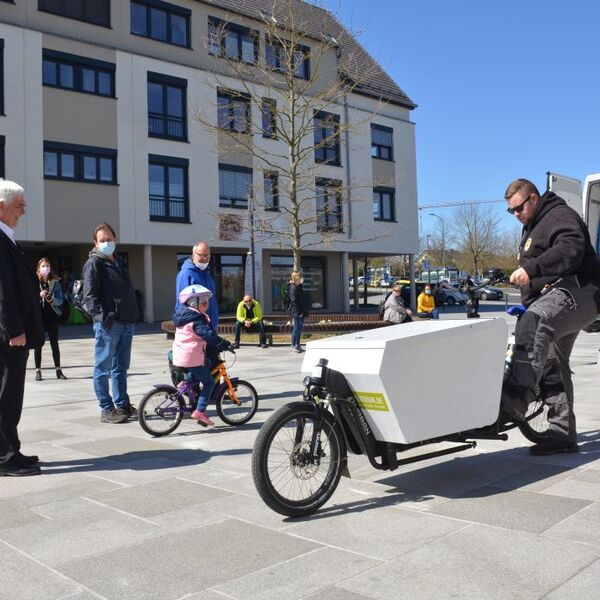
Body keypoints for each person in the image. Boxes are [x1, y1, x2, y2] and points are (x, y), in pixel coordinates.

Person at [501, 178, 600, 455]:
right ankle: (562, 434)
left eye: (518, 208)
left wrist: (531, 270)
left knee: (536, 323)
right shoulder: (531, 227)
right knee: (551, 362)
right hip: (562, 296)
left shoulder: (558, 215)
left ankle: (518, 398)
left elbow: (570, 250)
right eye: (511, 211)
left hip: (582, 290)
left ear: (533, 199)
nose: (516, 215)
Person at [0, 180, 45, 476]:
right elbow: (2, 290)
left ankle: (11, 448)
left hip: (14, 336)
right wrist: (13, 329)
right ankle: (4, 457)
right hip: (8, 338)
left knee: (12, 395)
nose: (23, 212)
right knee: (6, 395)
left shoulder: (7, 239)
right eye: (20, 206)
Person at [83, 223, 139, 424]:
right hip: (109, 325)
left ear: (115, 239)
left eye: (109, 239)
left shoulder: (119, 261)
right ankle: (107, 409)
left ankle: (122, 404)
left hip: (127, 322)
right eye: (102, 240)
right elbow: (90, 296)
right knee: (103, 368)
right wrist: (104, 319)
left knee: (120, 367)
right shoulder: (94, 263)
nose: (107, 243)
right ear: (96, 243)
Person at [172, 285, 232, 426]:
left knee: (207, 364)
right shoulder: (196, 319)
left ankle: (186, 382)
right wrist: (225, 344)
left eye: (207, 302)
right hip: (191, 355)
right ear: (194, 304)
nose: (207, 306)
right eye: (204, 302)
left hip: (182, 355)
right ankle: (200, 411)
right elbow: (209, 335)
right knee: (209, 382)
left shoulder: (183, 316)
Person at [34, 258, 67, 381]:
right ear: (38, 268)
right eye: (43, 266)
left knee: (54, 343)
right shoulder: (34, 282)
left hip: (52, 316)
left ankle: (58, 371)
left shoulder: (55, 282)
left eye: (47, 266)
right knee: (38, 344)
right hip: (39, 317)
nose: (45, 268)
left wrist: (52, 299)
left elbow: (60, 299)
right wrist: (39, 295)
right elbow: (29, 298)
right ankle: (38, 371)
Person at [175, 241, 218, 329]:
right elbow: (182, 303)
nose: (205, 258)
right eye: (201, 255)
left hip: (210, 326)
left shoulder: (207, 274)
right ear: (193, 255)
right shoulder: (186, 274)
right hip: (197, 328)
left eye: (207, 255)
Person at [287, 271, 308, 353]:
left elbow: (301, 295)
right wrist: (298, 312)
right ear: (296, 278)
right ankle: (293, 345)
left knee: (299, 329)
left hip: (300, 311)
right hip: (297, 312)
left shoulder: (297, 286)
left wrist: (301, 284)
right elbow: (294, 301)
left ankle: (298, 345)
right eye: (300, 278)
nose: (301, 279)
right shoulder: (293, 287)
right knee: (296, 329)